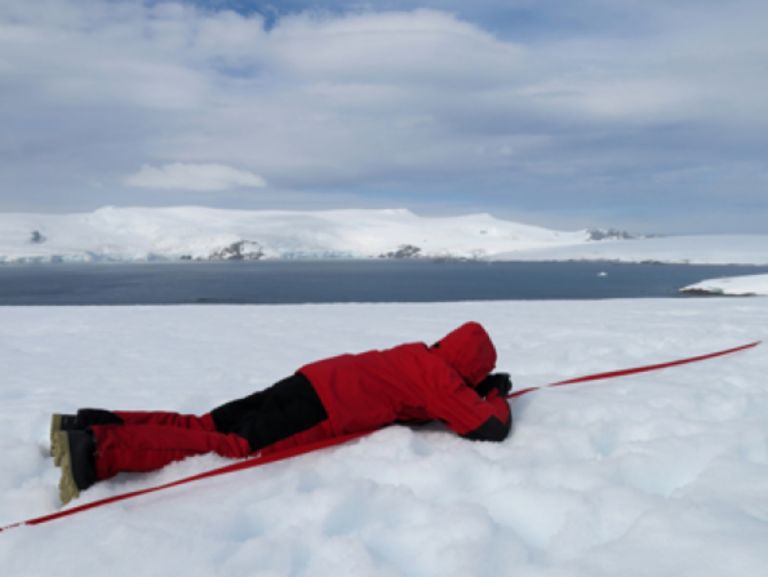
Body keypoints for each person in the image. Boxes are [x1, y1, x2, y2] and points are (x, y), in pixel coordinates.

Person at [51, 321, 512, 504]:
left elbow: (419, 405)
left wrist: (477, 388)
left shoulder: (417, 354)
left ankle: (87, 422)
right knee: (235, 446)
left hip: (308, 380)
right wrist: (494, 395)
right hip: (323, 407)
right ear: (470, 368)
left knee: (207, 423)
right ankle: (97, 450)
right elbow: (487, 429)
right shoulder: (441, 378)